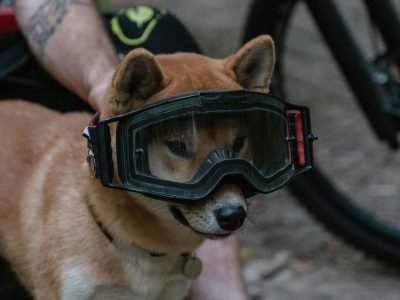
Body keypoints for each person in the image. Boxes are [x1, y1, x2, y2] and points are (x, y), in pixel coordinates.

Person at [10, 0, 248, 299]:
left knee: (158, 27)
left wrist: (102, 86)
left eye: (236, 144)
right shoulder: (75, 246)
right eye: (180, 148)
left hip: (35, 42)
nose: (231, 201)